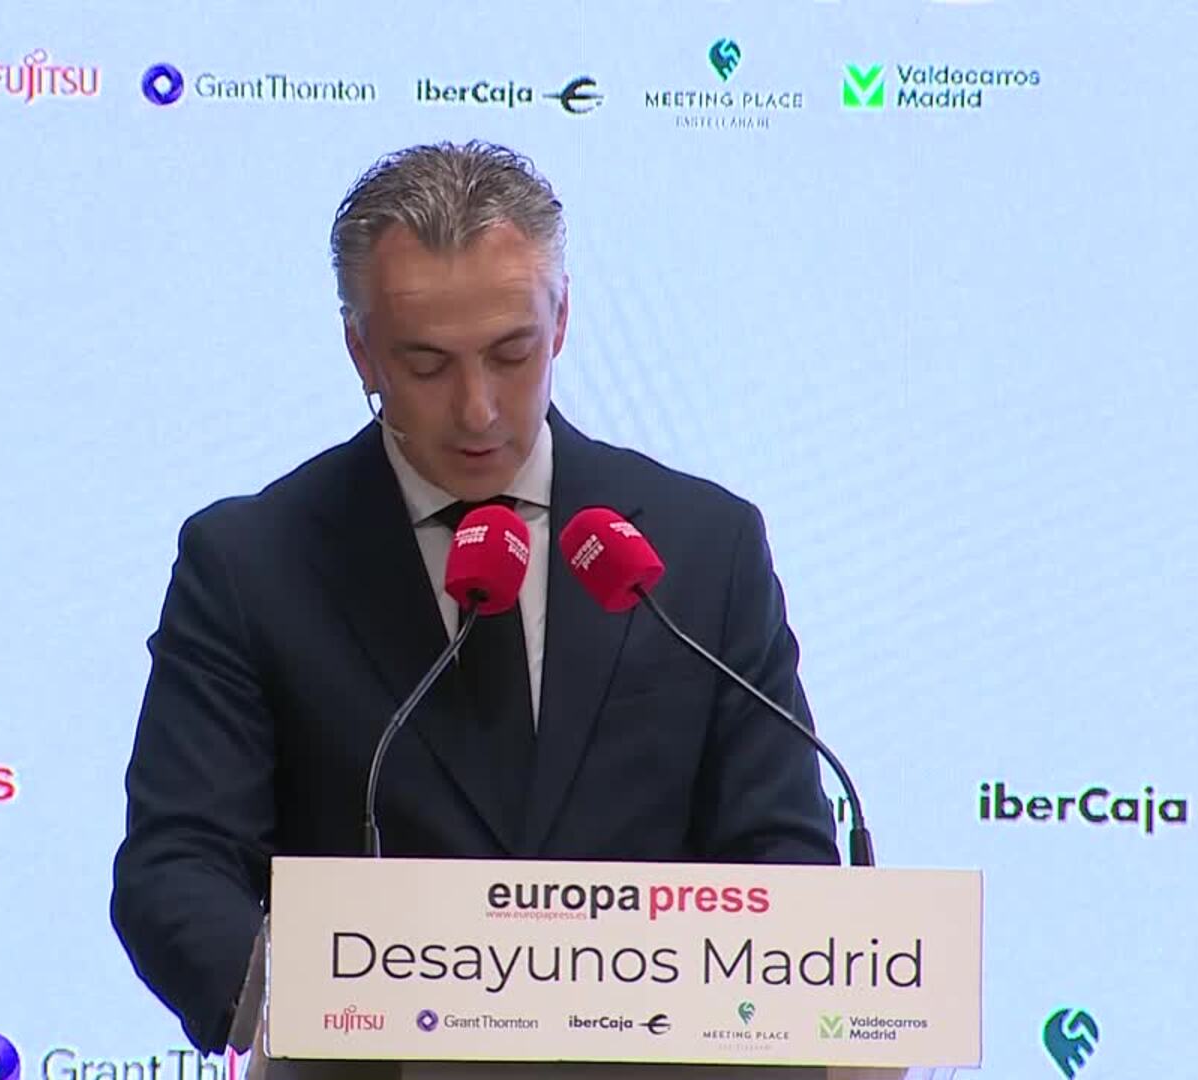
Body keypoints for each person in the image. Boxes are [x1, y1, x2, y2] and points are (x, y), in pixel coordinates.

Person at [110, 140, 838, 1055]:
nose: (479, 410)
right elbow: (176, 865)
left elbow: (783, 850)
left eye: (511, 353)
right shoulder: (251, 563)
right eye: (426, 365)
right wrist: (289, 1010)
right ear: (360, 349)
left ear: (561, 320)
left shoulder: (703, 548)